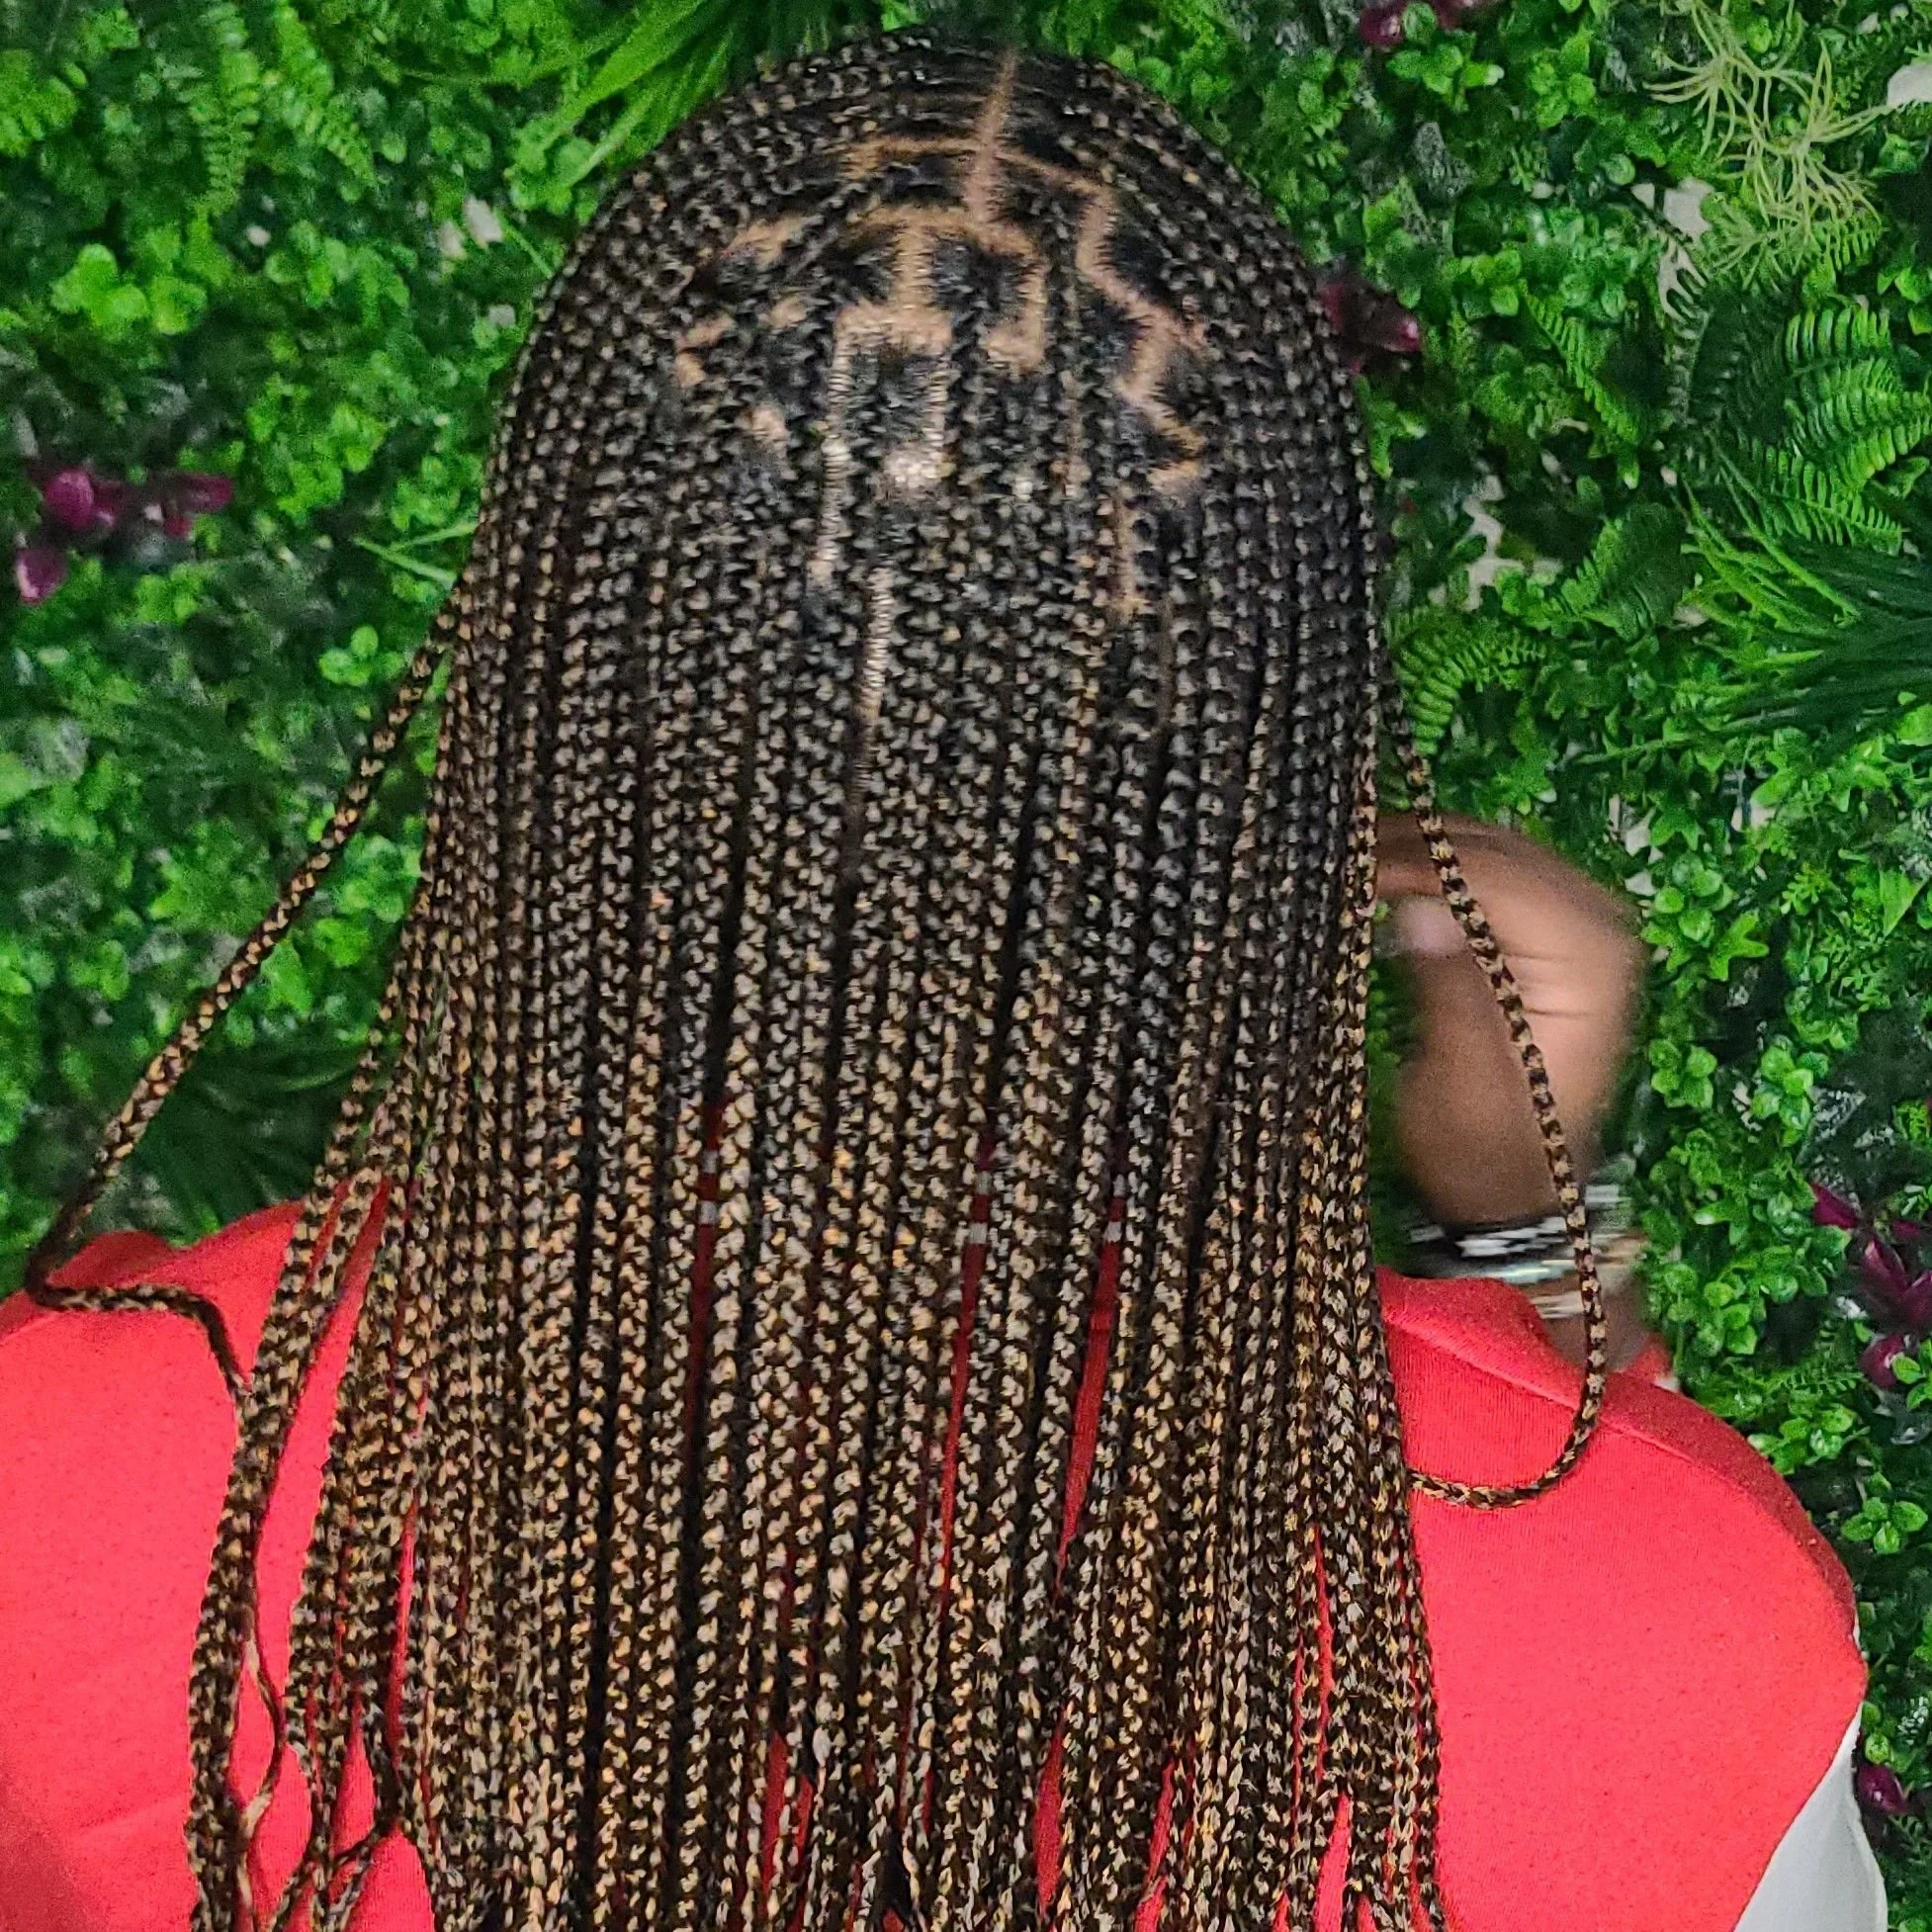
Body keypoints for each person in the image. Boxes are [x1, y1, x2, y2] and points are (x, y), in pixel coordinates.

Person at [0, 32, 1883, 1932]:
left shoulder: (59, 1503)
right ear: (1273, 777)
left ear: (544, 683)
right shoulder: (1679, 1638)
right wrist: (1527, 1260)